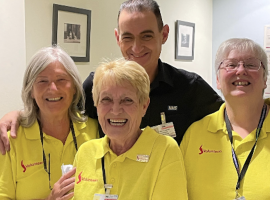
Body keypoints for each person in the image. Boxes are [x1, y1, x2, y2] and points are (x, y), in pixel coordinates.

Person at [0, 0, 223, 154]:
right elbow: (57, 107)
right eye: (128, 37)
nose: (136, 47)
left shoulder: (189, 87)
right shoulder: (96, 85)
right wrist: (17, 114)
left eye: (146, 36)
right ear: (117, 38)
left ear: (163, 34)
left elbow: (231, 117)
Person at [72, 59, 188, 199]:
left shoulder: (164, 150)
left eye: (127, 100)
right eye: (106, 99)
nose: (115, 110)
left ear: (144, 106)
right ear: (96, 104)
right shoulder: (85, 153)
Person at [0, 46, 99, 199]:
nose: (53, 88)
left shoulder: (95, 131)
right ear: (31, 90)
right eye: (42, 81)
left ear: (74, 87)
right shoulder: (11, 140)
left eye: (61, 79)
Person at [180, 38, 270, 199]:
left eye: (251, 64)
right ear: (217, 80)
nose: (241, 70)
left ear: (265, 79)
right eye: (231, 64)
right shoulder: (195, 134)